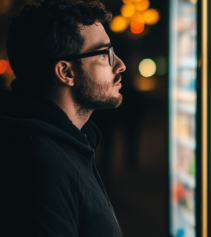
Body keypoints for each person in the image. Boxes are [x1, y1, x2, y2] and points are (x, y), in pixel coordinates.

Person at [0, 0, 126, 236]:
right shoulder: (38, 167)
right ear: (66, 72)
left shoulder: (67, 140)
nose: (120, 65)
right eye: (104, 54)